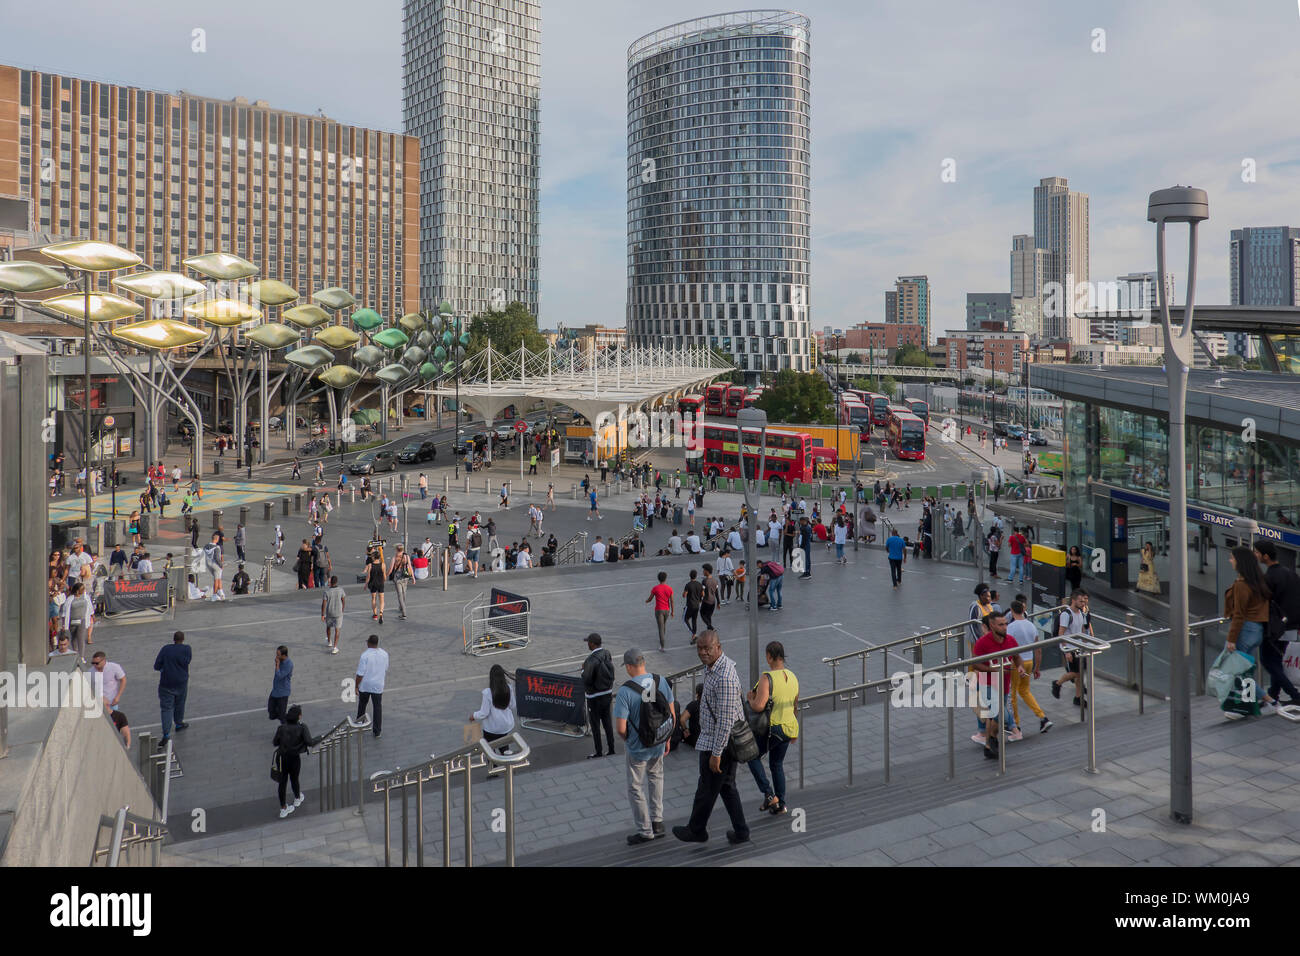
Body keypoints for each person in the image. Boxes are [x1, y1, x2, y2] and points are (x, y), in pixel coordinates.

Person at [673, 630, 749, 845]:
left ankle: (696, 830)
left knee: (706, 787)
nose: (703, 652)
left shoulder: (724, 677)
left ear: (718, 647)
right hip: (716, 741)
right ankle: (742, 832)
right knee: (726, 786)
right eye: (699, 648)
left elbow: (725, 721)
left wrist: (716, 754)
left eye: (707, 648)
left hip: (719, 745)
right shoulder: (714, 668)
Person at [615, 647, 675, 844]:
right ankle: (658, 821)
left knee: (635, 787)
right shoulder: (661, 681)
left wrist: (629, 741)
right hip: (658, 741)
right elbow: (671, 716)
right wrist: (666, 739)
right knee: (656, 777)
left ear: (630, 666)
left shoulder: (625, 691)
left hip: (638, 747)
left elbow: (620, 728)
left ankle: (645, 830)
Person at [745, 641, 799, 814]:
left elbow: (759, 706)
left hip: (773, 728)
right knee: (776, 764)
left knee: (752, 756)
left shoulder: (767, 677)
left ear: (769, 656)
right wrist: (794, 731)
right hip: (789, 727)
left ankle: (769, 795)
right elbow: (795, 705)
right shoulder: (792, 676)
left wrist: (750, 699)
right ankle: (780, 805)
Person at [972, 609, 1020, 759]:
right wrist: (992, 670)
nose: (1005, 627)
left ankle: (989, 743)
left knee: (995, 718)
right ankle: (992, 740)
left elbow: (1017, 657)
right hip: (987, 685)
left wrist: (1020, 666)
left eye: (1005, 624)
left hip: (1004, 685)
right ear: (992, 626)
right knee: (1003, 716)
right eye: (1001, 625)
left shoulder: (1011, 640)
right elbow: (975, 664)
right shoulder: (982, 644)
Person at [1007, 600, 1052, 734]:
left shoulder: (1011, 627)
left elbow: (1009, 648)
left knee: (1013, 693)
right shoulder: (1031, 626)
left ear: (1012, 611)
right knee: (1025, 690)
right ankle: (1042, 717)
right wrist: (1037, 667)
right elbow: (1038, 649)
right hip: (1029, 662)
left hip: (1017, 663)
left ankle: (1016, 724)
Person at [273, 705, 321, 818]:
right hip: (294, 758)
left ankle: (283, 808)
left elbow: (275, 742)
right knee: (294, 778)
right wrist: (320, 737)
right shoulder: (302, 727)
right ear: (299, 716)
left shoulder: (281, 728)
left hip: (281, 757)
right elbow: (310, 742)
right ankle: (297, 798)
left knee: (282, 782)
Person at [1050, 589, 1093, 706]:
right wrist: (1066, 651)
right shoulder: (1066, 614)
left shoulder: (1081, 613)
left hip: (1078, 647)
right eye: (1080, 601)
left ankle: (1078, 697)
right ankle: (1058, 683)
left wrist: (1086, 643)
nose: (1083, 603)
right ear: (1073, 600)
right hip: (1069, 648)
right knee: (1075, 673)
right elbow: (1061, 633)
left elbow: (1082, 630)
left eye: (1084, 601)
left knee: (1079, 673)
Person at [582, 633, 617, 758]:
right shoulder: (606, 653)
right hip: (607, 694)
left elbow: (586, 679)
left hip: (594, 697)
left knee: (595, 725)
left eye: (588, 642)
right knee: (607, 722)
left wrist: (582, 670)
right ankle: (611, 749)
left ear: (592, 643)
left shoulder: (590, 660)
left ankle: (598, 751)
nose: (587, 644)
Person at [154, 631, 191, 741]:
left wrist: (163, 669)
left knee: (166, 708)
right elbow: (187, 661)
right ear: (183, 639)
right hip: (181, 682)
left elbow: (156, 666)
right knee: (180, 703)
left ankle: (166, 733)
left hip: (166, 683)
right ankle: (178, 723)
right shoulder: (187, 649)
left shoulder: (166, 649)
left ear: (173, 639)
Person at [470, 664, 516, 744]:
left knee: (490, 748)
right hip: (506, 726)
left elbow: (484, 713)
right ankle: (506, 755)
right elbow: (513, 705)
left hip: (491, 728)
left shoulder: (487, 693)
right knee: (503, 744)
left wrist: (473, 715)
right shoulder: (509, 688)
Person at [355, 634, 388, 737]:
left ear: (369, 643)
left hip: (365, 684)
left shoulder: (365, 655)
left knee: (362, 704)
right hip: (378, 685)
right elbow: (386, 668)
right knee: (377, 707)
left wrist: (356, 685)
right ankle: (377, 731)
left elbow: (360, 674)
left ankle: (360, 723)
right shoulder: (384, 654)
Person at [646, 570, 675, 651]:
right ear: (665, 579)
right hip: (667, 610)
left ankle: (662, 646)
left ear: (658, 579)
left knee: (660, 628)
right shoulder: (669, 588)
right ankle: (663, 638)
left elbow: (650, 598)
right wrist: (672, 611)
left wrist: (647, 601)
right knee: (664, 625)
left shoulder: (655, 588)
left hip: (659, 610)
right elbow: (672, 601)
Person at [268, 645, 293, 723]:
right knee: (271, 712)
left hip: (283, 692)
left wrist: (277, 665)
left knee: (282, 716)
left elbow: (280, 676)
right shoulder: (280, 661)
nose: (276, 656)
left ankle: (287, 726)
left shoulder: (289, 664)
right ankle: (286, 717)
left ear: (284, 655)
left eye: (278, 655)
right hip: (275, 690)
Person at [322, 575, 345, 655]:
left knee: (328, 627)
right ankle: (335, 647)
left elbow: (324, 604)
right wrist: (342, 609)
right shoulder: (341, 590)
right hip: (339, 613)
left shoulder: (327, 592)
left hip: (329, 613)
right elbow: (343, 600)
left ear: (331, 582)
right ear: (337, 582)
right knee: (337, 630)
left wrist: (322, 614)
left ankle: (329, 641)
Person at [388, 545, 412, 621]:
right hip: (405, 576)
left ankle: (404, 613)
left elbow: (391, 569)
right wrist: (413, 578)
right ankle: (401, 607)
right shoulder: (406, 556)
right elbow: (410, 567)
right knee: (404, 593)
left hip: (398, 577)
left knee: (400, 595)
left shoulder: (394, 558)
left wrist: (385, 576)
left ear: (396, 550)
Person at [682, 569, 704, 641]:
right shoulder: (699, 584)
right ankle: (694, 634)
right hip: (697, 605)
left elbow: (684, 595)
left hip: (690, 605)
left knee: (685, 619)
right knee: (694, 620)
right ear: (696, 576)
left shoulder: (688, 585)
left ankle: (693, 634)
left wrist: (685, 592)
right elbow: (703, 594)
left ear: (690, 576)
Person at [366, 551, 386, 624]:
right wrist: (383, 580)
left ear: (374, 557)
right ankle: (381, 612)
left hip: (373, 583)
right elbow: (384, 576)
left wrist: (366, 584)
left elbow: (368, 576)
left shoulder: (370, 565)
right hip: (380, 583)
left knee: (374, 598)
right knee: (382, 599)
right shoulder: (383, 565)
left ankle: (375, 615)